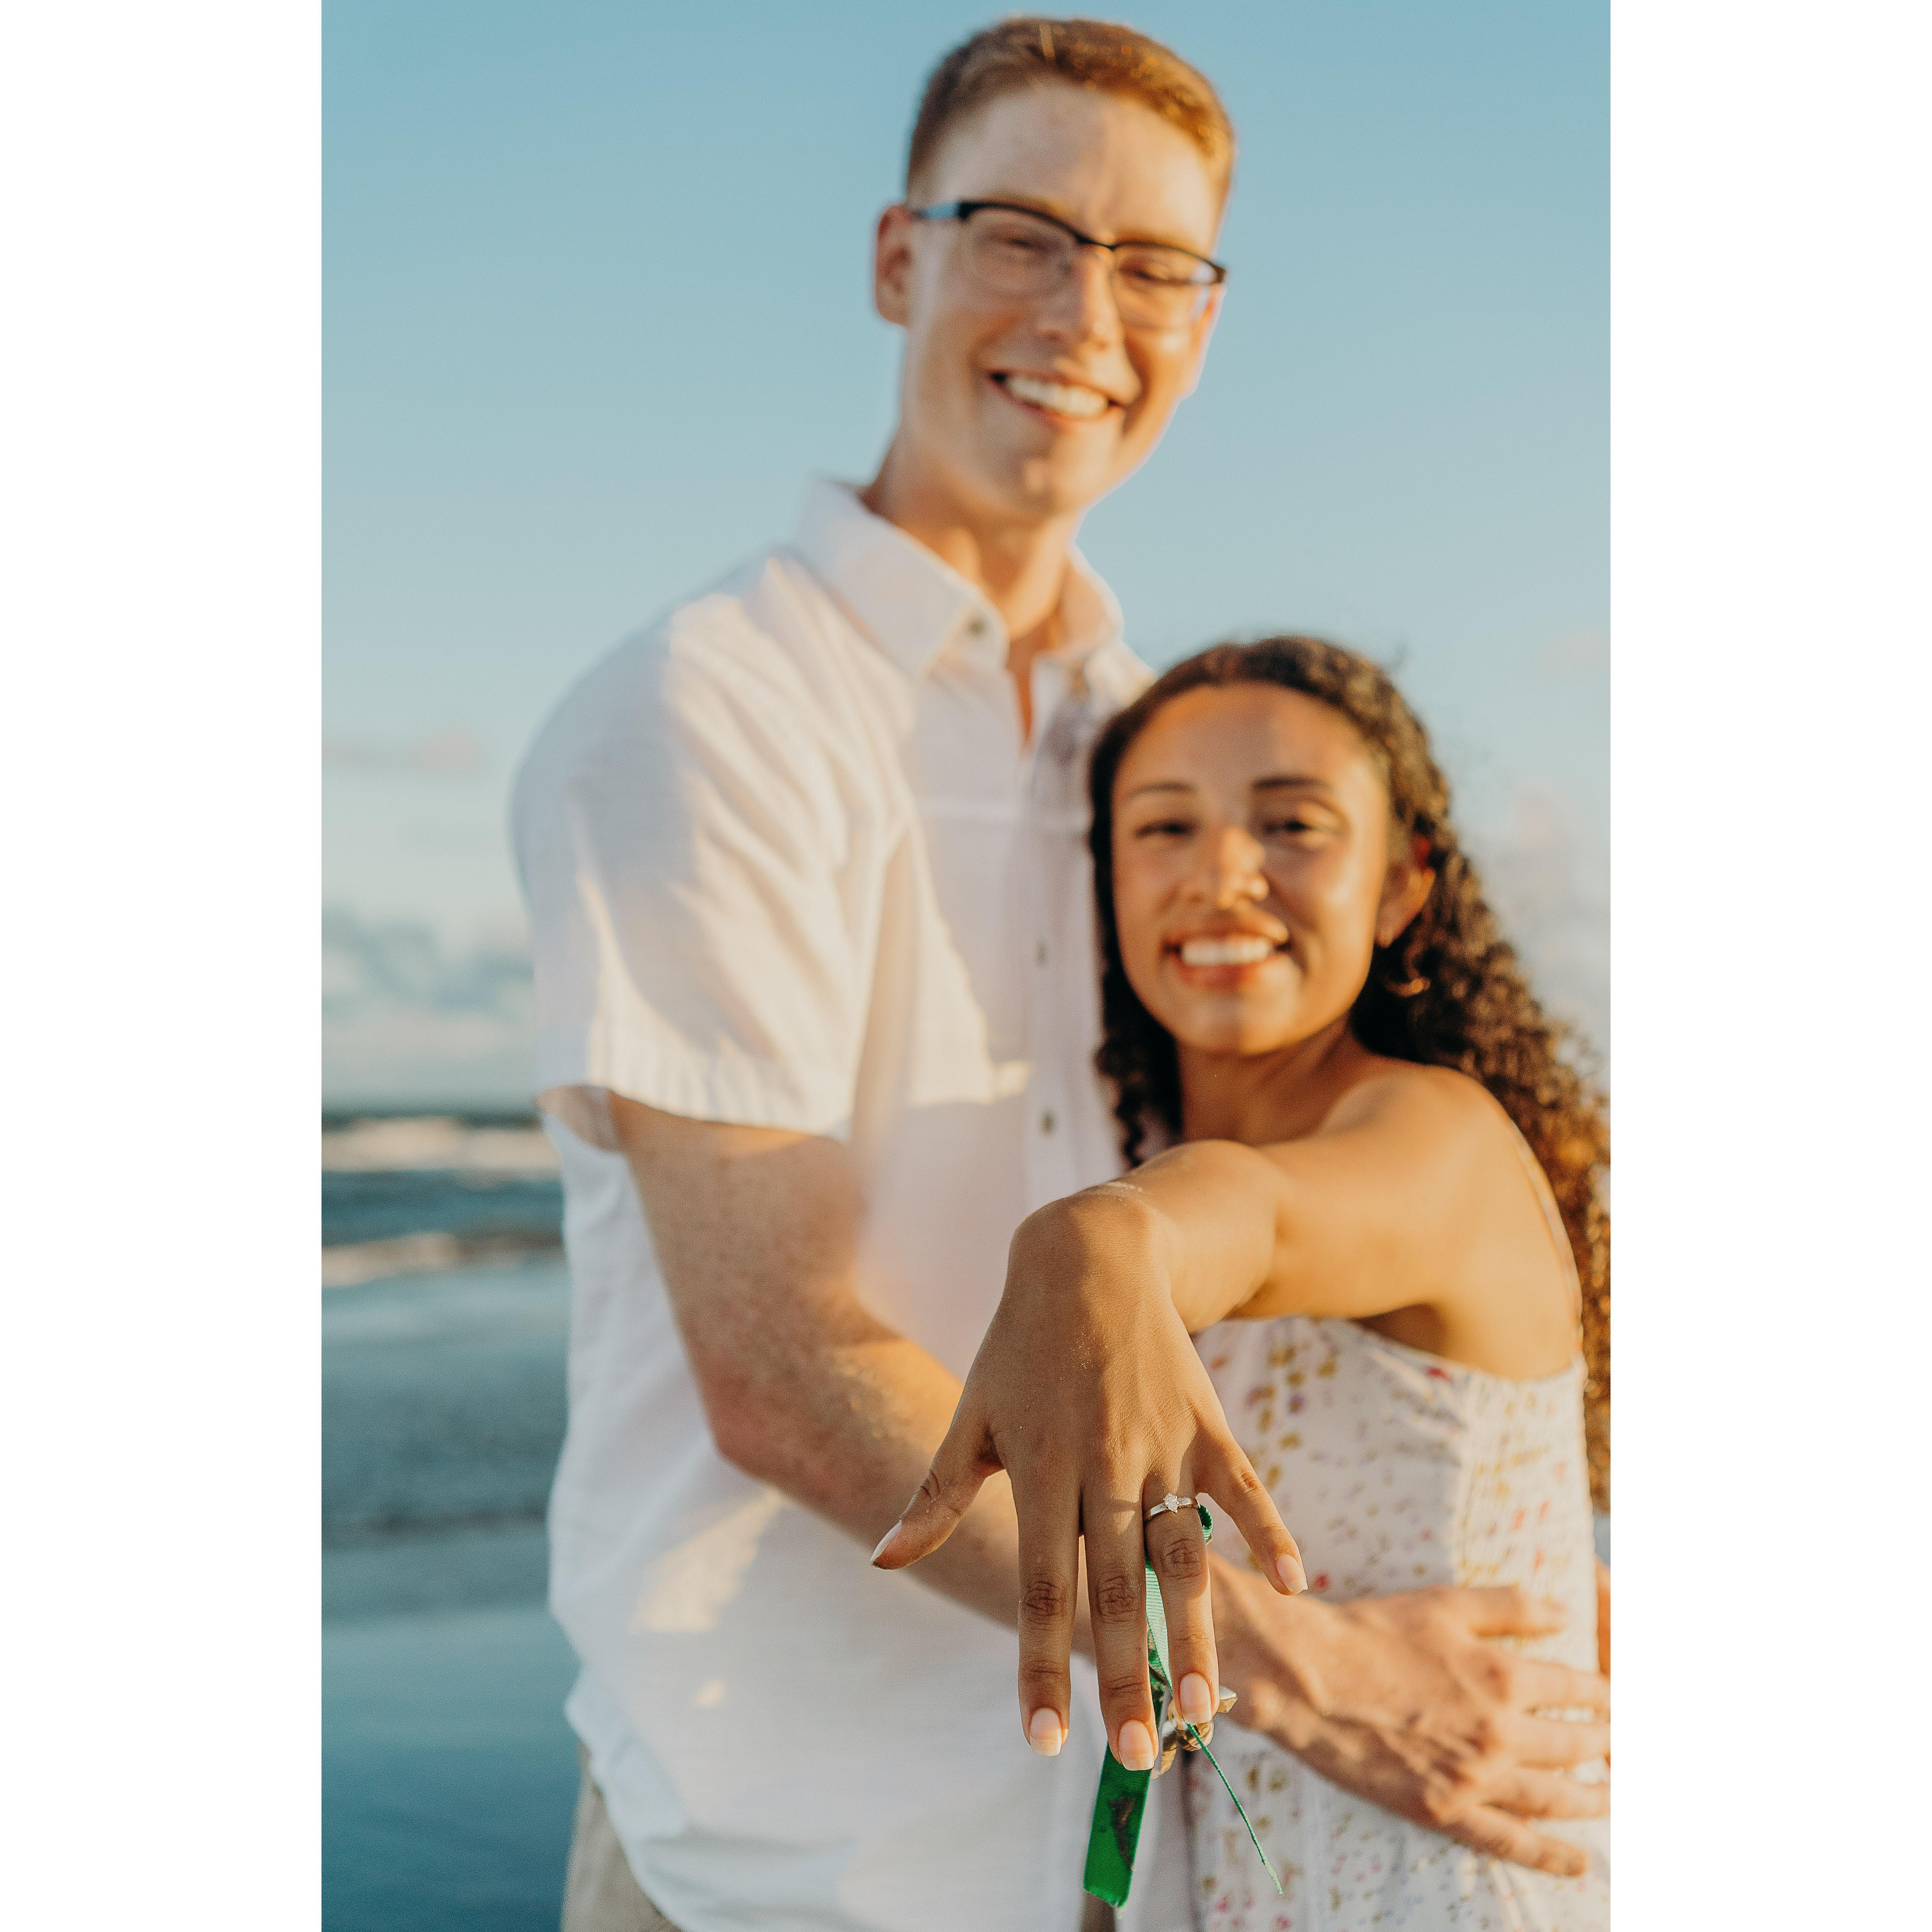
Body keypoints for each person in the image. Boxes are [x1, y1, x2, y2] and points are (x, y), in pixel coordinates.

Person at [513, 19, 1608, 1931]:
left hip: (1128, 1857)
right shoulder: (714, 711)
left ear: (1204, 315)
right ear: (896, 258)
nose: (1082, 311)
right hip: (786, 1854)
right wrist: (1313, 1669)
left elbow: (1326, 1215)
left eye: (1152, 262)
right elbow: (777, 1370)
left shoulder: (1149, 745)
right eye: (1019, 232)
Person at [877, 637, 1610, 1926]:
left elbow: (1258, 1217)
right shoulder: (1146, 1163)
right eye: (1166, 827)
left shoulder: (1441, 1143)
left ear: (1404, 883)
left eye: (1292, 824)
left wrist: (1096, 1243)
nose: (1222, 874)